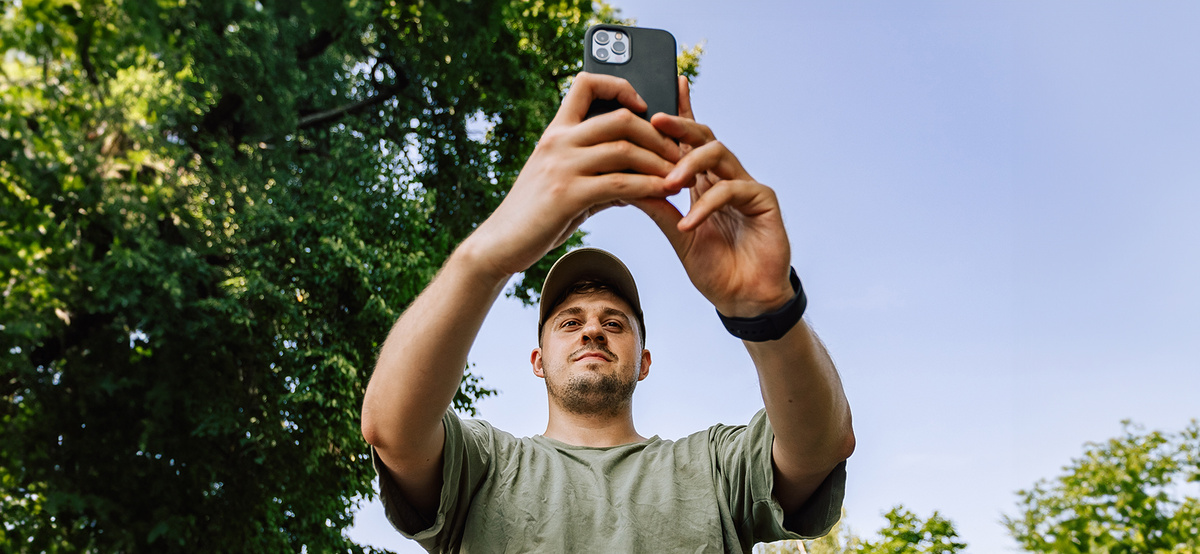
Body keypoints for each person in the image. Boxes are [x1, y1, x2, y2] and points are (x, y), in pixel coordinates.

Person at [361, 72, 855, 552]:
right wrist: (486, 258)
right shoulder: (483, 464)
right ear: (538, 361)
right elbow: (392, 432)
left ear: (644, 362)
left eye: (614, 323)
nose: (592, 330)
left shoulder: (715, 468)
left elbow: (821, 446)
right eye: (570, 322)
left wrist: (768, 308)